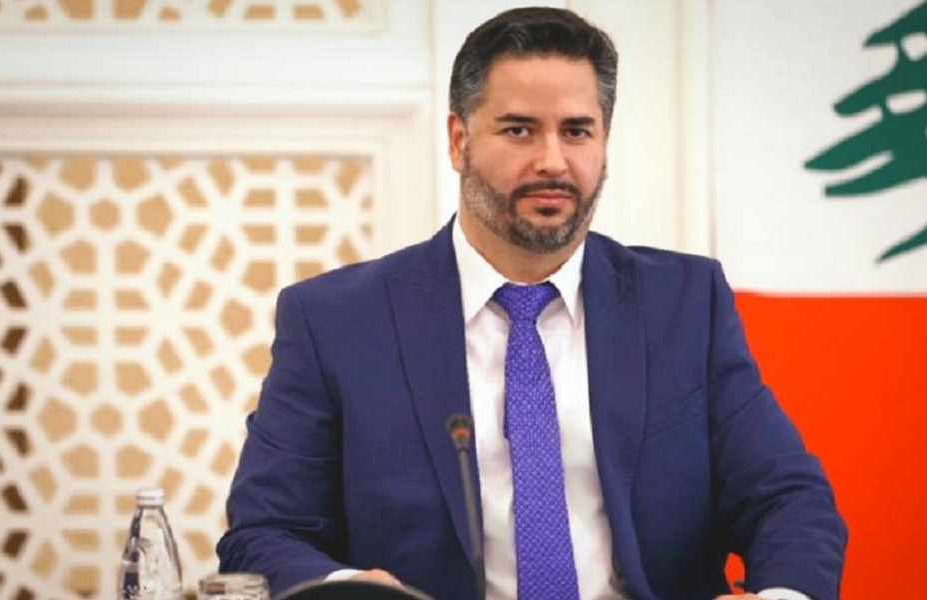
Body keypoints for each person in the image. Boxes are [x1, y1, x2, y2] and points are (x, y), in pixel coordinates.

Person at [217, 7, 847, 600]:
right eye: (519, 130)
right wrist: (352, 589)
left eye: (577, 131)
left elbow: (786, 498)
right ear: (459, 140)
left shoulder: (683, 304)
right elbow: (265, 532)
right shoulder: (337, 322)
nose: (553, 161)